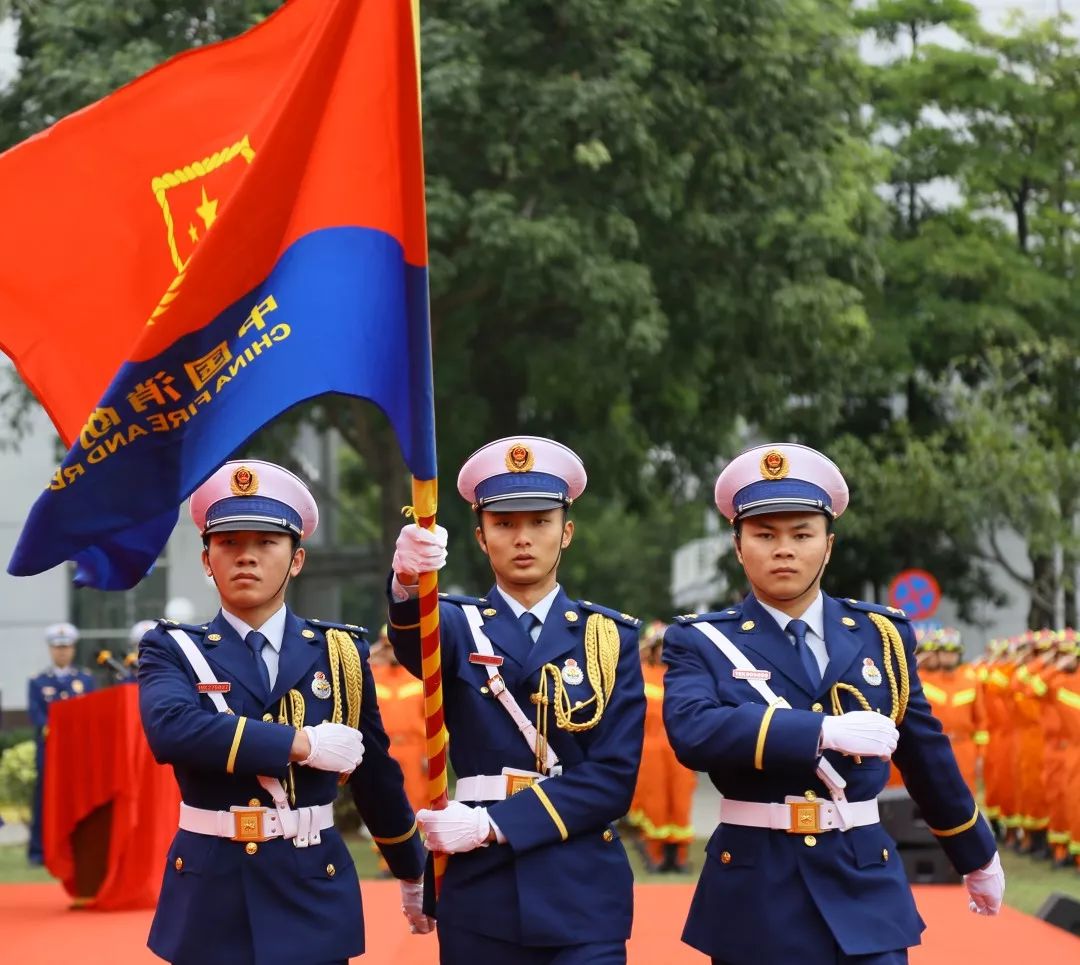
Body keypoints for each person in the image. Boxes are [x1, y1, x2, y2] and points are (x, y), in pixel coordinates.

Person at [662, 442, 1003, 965]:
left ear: (828, 544)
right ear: (737, 546)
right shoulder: (702, 640)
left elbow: (925, 753)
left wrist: (976, 854)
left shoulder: (880, 635)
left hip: (863, 883)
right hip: (758, 893)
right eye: (764, 535)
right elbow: (694, 730)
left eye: (802, 535)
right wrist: (818, 733)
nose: (784, 550)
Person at [137, 459, 430, 965]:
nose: (245, 557)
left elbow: (376, 775)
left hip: (310, 886)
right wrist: (303, 744)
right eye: (229, 544)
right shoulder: (173, 648)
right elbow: (172, 731)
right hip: (211, 896)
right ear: (207, 560)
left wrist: (413, 870)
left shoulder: (338, 652)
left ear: (297, 560)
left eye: (265, 543)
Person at [387, 435, 645, 965]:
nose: (522, 538)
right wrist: (407, 581)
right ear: (481, 537)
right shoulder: (456, 624)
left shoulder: (608, 637)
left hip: (580, 887)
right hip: (483, 887)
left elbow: (613, 778)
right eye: (504, 524)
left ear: (566, 532)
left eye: (539, 522)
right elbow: (415, 638)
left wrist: (495, 824)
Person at [629, 620, 697, 872]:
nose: (663, 651)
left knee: (680, 802)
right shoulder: (639, 673)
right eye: (659, 646)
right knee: (654, 803)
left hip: (679, 751)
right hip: (650, 751)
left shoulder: (681, 674)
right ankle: (655, 856)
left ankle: (678, 858)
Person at [26, 621, 94, 865]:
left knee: (79, 798)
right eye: (57, 647)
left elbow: (90, 713)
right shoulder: (38, 681)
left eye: (66, 647)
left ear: (73, 649)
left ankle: (76, 849)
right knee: (43, 798)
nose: (62, 651)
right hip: (50, 750)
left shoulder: (86, 680)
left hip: (78, 751)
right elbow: (36, 714)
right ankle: (38, 852)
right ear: (50, 650)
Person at [369, 626, 428, 813]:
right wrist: (375, 649)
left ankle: (419, 843)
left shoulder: (420, 676)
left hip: (415, 750)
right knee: (383, 801)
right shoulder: (373, 676)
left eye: (395, 646)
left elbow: (436, 720)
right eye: (387, 647)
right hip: (383, 749)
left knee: (417, 802)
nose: (391, 651)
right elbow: (354, 664)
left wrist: (432, 755)